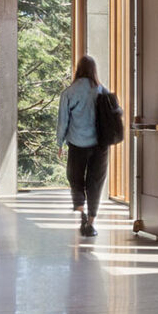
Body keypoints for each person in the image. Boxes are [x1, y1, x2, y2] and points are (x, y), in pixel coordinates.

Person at [57, 56, 113, 238]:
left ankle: (81, 211)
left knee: (75, 178)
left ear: (78, 69)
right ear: (94, 70)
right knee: (95, 183)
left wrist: (60, 143)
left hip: (77, 143)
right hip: (100, 145)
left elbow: (63, 121)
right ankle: (90, 223)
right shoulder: (102, 91)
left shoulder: (69, 92)